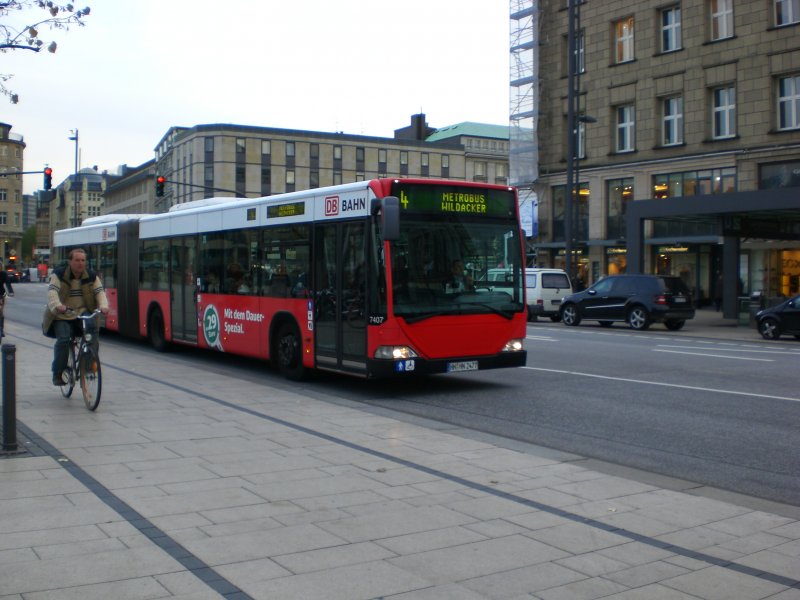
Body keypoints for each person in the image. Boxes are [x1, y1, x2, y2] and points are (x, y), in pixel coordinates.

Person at [43, 249, 109, 386]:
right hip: (62, 314)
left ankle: (89, 367)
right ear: (70, 261)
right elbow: (52, 292)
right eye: (77, 260)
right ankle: (58, 372)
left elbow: (100, 292)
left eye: (83, 260)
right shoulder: (59, 275)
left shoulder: (91, 276)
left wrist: (103, 305)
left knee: (93, 332)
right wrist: (57, 305)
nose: (80, 263)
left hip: (82, 312)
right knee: (64, 339)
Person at [0, 264, 14, 338]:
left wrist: (11, 292)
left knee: (1, 312)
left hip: (1, 294)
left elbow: (8, 283)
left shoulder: (3, 274)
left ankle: (1, 329)